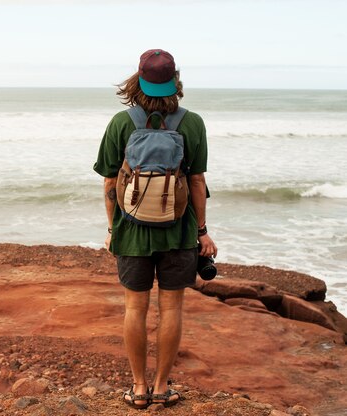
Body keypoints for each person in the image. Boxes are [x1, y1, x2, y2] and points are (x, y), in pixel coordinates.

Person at [93, 49, 217, 409]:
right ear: (175, 81)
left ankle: (139, 388)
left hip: (131, 231)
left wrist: (113, 229)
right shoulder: (191, 123)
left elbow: (109, 184)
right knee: (172, 307)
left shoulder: (121, 123)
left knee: (135, 308)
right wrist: (203, 231)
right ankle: (163, 386)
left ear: (138, 80)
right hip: (178, 232)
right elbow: (196, 182)